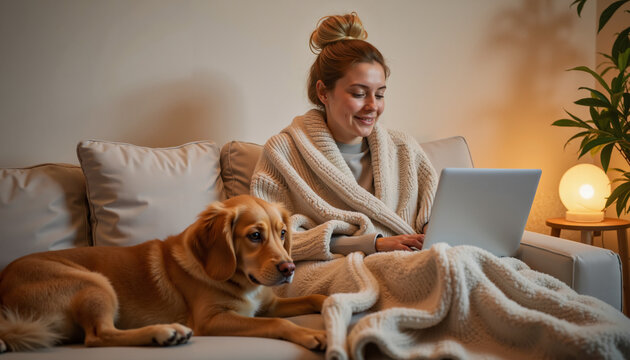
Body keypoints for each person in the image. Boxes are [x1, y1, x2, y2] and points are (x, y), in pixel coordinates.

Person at [251, 12, 437, 262]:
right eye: (360, 94)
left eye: (380, 95)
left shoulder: (404, 148)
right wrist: (374, 244)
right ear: (323, 93)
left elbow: (436, 213)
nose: (373, 106)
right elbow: (269, 240)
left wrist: (433, 232)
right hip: (334, 266)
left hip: (415, 258)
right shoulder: (283, 152)